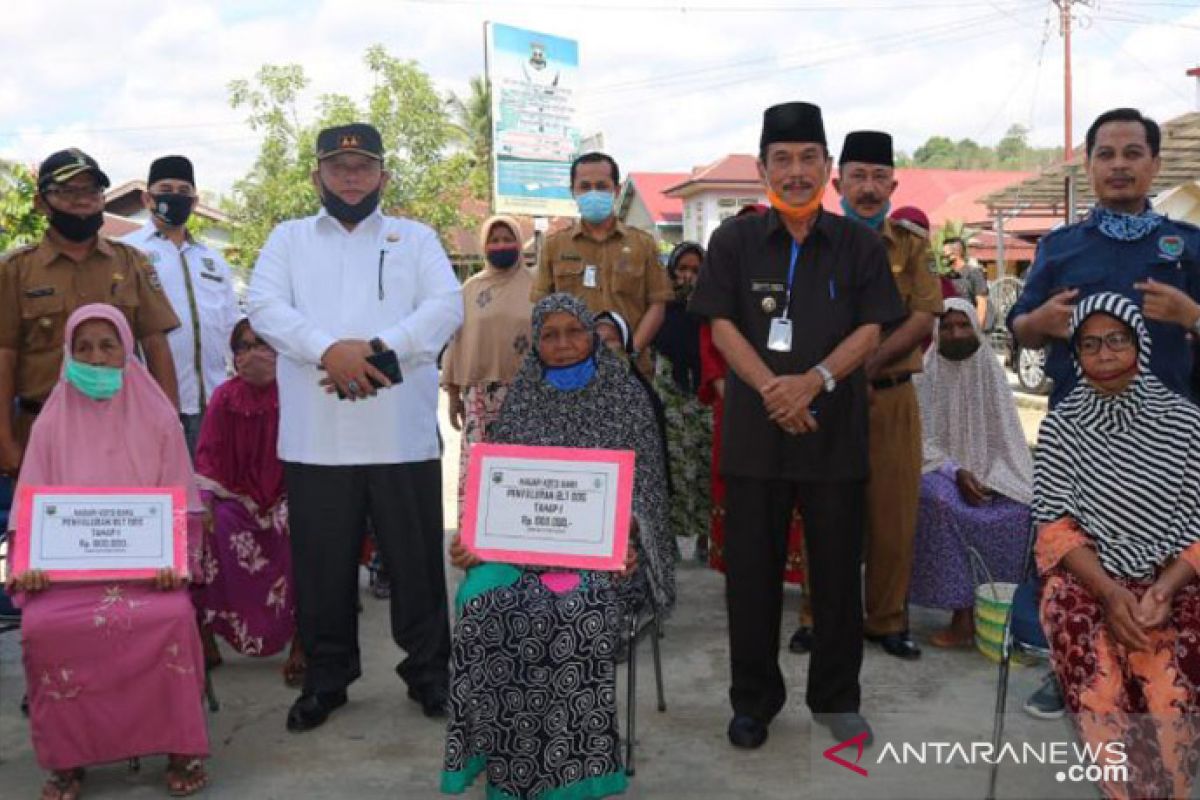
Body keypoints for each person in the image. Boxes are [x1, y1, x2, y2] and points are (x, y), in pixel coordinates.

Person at [688, 101, 904, 749]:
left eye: (809, 157)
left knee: (837, 577)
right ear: (762, 169)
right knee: (750, 581)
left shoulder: (860, 243)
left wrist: (813, 381)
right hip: (755, 437)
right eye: (782, 159)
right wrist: (772, 389)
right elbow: (721, 324)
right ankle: (753, 701)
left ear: (828, 168)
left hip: (834, 433)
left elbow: (872, 327)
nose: (796, 170)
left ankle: (836, 701)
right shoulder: (734, 240)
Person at [247, 123, 463, 731]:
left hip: (400, 433)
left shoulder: (415, 238)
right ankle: (327, 679)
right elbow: (263, 307)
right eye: (337, 167)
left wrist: (373, 354)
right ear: (316, 175)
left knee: (417, 565)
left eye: (363, 166)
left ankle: (429, 676)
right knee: (321, 567)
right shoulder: (287, 239)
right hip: (317, 438)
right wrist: (326, 352)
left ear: (383, 177)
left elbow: (445, 307)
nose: (350, 176)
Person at [440, 294, 672, 799]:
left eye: (575, 332)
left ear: (593, 336)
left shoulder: (627, 397)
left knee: (572, 609)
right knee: (480, 601)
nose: (563, 345)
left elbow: (649, 493)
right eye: (550, 335)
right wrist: (475, 541)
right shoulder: (522, 398)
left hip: (606, 561)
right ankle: (503, 751)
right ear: (536, 344)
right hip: (522, 556)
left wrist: (632, 542)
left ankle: (576, 770)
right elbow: (501, 493)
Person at [1008, 107, 1200, 717]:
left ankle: (1167, 673)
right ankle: (1068, 667)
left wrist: (1192, 316)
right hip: (1081, 434)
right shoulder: (1062, 248)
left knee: (1172, 554)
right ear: (1089, 165)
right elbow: (1023, 328)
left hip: (1170, 432)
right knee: (1076, 552)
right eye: (1106, 154)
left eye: (1132, 153)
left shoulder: (1190, 245)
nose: (1119, 165)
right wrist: (1032, 325)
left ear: (1153, 163)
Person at [5, 304, 209, 799]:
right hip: (66, 581)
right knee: (43, 626)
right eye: (84, 348)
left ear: (127, 351)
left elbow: (183, 502)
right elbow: (29, 507)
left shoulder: (158, 417)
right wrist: (29, 567)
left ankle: (180, 745)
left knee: (171, 617)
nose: (96, 358)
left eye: (108, 345)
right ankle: (67, 757)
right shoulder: (51, 423)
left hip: (148, 576)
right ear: (68, 356)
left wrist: (175, 562)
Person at [1033, 293, 1200, 800]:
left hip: (1177, 576)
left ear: (1139, 344)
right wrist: (1109, 593)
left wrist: (1165, 587)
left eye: (1116, 340)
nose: (1104, 353)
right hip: (1089, 579)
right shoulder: (1062, 426)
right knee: (1101, 682)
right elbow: (1054, 528)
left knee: (1168, 688)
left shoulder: (1186, 423)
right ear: (1076, 355)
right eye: (1089, 344)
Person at [0, 148, 180, 477]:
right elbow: (4, 356)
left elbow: (156, 347)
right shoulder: (14, 270)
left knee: (119, 524)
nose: (83, 200)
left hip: (125, 433)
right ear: (41, 203)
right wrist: (4, 439)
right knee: (43, 526)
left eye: (92, 190)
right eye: (69, 191)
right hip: (40, 432)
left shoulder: (132, 263)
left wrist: (169, 425)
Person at [833, 131, 943, 661]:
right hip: (827, 397)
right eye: (859, 176)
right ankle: (819, 615)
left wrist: (867, 362)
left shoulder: (912, 245)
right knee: (825, 508)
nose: (869, 188)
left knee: (893, 513)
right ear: (839, 182)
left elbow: (925, 313)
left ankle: (886, 620)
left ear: (894, 184)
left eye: (880, 177)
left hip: (892, 394)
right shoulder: (815, 240)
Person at [910, 298, 1032, 647]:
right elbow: (921, 439)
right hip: (938, 471)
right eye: (946, 327)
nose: (956, 332)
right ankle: (960, 614)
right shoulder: (926, 371)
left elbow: (1006, 436)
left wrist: (991, 478)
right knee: (940, 503)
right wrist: (957, 471)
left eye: (963, 325)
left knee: (1021, 510)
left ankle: (999, 615)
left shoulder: (990, 369)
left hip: (993, 470)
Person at [193, 319, 304, 685]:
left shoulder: (297, 392)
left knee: (299, 530)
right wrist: (205, 501)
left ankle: (302, 641)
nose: (252, 353)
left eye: (262, 344)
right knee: (209, 530)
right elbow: (207, 457)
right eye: (243, 346)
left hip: (289, 495)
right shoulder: (224, 396)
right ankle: (206, 636)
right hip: (237, 499)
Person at [122, 155, 240, 457]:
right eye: (166, 188)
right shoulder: (127, 252)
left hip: (214, 404)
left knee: (211, 495)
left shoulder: (212, 259)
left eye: (184, 191)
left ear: (195, 201)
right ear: (147, 198)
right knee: (161, 495)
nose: (175, 196)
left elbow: (232, 327)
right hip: (152, 403)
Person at [531, 152, 673, 374]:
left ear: (616, 191)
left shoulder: (643, 244)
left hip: (631, 372)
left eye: (601, 186)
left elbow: (657, 305)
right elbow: (541, 308)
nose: (593, 193)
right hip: (572, 369)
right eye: (585, 186)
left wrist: (629, 352)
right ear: (573, 192)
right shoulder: (554, 246)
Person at [441, 215, 533, 528]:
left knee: (522, 478)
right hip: (479, 398)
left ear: (520, 244)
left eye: (508, 239)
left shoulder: (538, 287)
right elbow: (457, 341)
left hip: (526, 396)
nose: (501, 246)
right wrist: (453, 395)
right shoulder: (470, 288)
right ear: (484, 246)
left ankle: (523, 553)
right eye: (494, 240)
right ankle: (478, 552)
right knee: (482, 476)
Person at [651, 242, 714, 557]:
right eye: (682, 269)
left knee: (705, 462)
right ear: (672, 270)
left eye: (695, 270)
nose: (688, 276)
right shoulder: (662, 303)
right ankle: (672, 540)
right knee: (671, 465)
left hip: (705, 391)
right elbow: (654, 337)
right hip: (670, 392)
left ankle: (706, 538)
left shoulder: (712, 304)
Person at [941, 237, 988, 327]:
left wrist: (977, 329)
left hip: (970, 325)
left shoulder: (974, 273)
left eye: (945, 255)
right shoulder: (947, 276)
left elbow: (982, 303)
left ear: (955, 254)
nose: (943, 258)